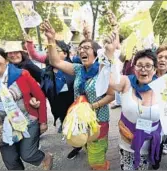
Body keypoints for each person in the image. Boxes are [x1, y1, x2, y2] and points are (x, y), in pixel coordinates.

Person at [42, 20, 115, 169]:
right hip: (80, 121)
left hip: (99, 120)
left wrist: (91, 106)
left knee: (96, 155)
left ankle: (100, 166)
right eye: (80, 48)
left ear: (96, 52)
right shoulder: (78, 69)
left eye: (87, 48)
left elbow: (112, 95)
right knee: (89, 148)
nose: (82, 50)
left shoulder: (103, 69)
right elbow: (55, 61)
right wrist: (51, 39)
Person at [0, 45, 53, 170]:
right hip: (3, 127)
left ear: (5, 59)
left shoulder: (22, 75)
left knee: (28, 154)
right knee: (10, 161)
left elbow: (40, 97)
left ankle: (45, 157)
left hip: (28, 121)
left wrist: (43, 122)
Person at [107, 48, 162, 170]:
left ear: (154, 70)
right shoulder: (127, 82)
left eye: (148, 66)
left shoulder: (163, 88)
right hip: (127, 142)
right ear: (134, 68)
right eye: (139, 65)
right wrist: (109, 54)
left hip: (150, 144)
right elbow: (109, 80)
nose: (143, 69)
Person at [24, 34, 75, 133]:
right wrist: (29, 44)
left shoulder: (74, 65)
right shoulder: (48, 68)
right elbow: (34, 56)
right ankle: (63, 121)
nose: (51, 53)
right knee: (60, 111)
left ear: (65, 54)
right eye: (49, 51)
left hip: (71, 97)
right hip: (55, 97)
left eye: (56, 50)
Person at [154, 45, 167, 155]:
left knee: (165, 131)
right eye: (160, 56)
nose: (162, 60)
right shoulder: (149, 74)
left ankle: (165, 143)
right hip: (152, 111)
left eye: (166, 58)